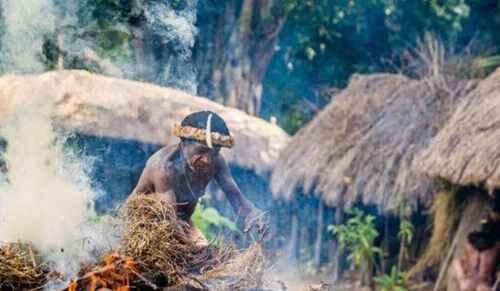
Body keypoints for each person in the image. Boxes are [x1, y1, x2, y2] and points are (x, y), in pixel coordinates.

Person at [132, 110, 268, 245]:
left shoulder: (217, 162)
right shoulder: (164, 168)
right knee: (200, 257)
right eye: (201, 151)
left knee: (207, 257)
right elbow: (168, 223)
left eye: (214, 153)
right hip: (143, 226)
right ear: (184, 143)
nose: (207, 160)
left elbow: (237, 199)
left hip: (181, 223)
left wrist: (253, 215)